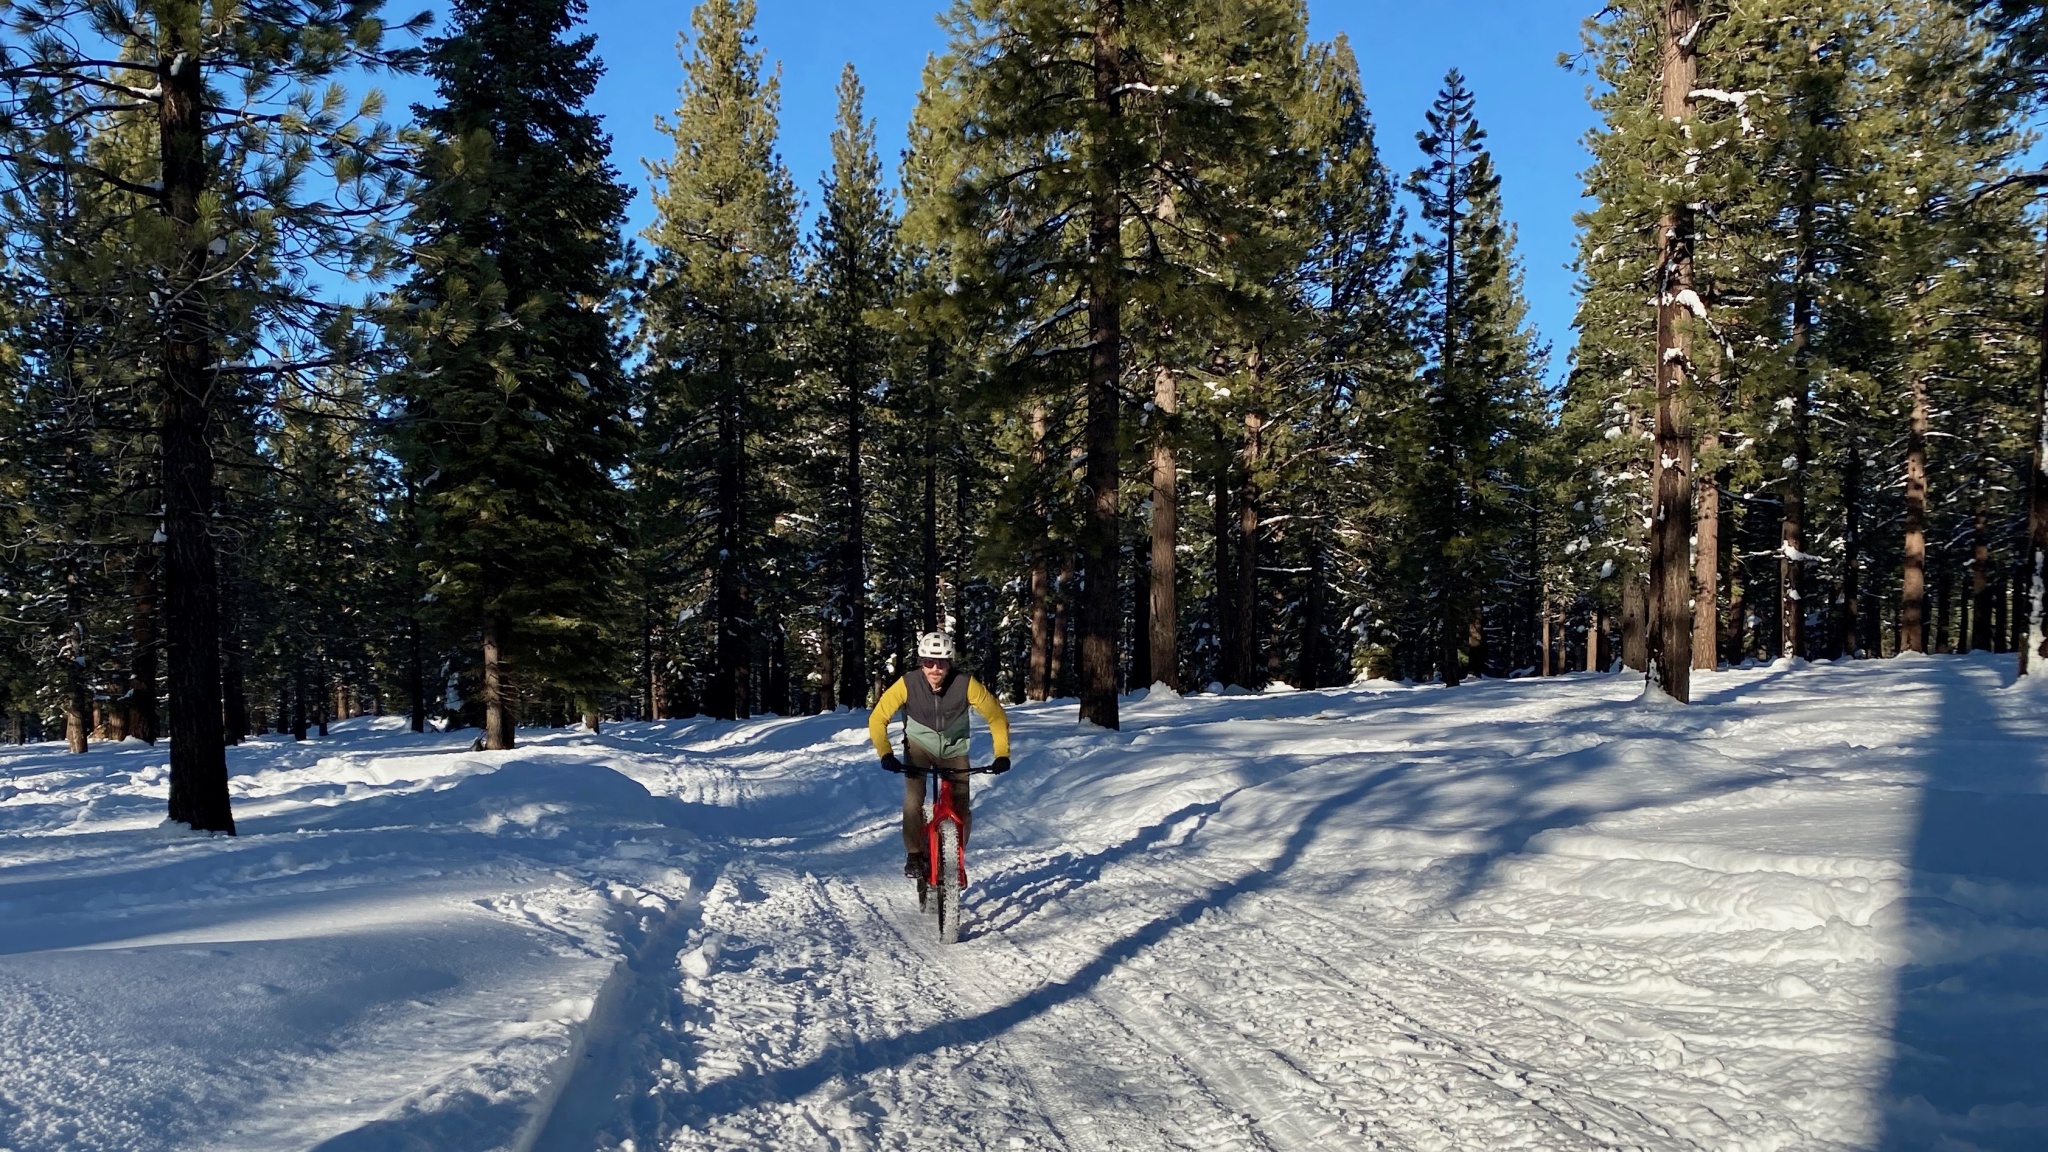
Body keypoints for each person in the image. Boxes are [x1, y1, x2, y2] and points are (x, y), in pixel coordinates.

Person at [867, 631, 1011, 880]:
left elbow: (996, 716)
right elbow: (878, 718)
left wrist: (1002, 754)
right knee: (913, 800)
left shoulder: (966, 684)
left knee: (961, 807)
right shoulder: (908, 683)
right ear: (921, 662)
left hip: (954, 749)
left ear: (949, 662)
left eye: (941, 662)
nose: (935, 669)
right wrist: (886, 753)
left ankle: (954, 861)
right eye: (929, 662)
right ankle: (915, 854)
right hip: (919, 747)